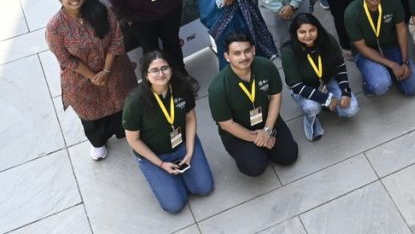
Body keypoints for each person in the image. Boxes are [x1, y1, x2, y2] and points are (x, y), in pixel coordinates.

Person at [46, 0, 136, 161]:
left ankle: (124, 131)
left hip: (115, 69)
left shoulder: (101, 11)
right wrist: (94, 76)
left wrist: (106, 71)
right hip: (81, 77)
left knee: (121, 102)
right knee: (90, 113)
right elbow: (64, 58)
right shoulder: (55, 27)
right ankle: (98, 142)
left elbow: (116, 39)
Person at [123, 52, 214, 213]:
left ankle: (181, 174)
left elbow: (190, 119)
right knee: (175, 205)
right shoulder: (135, 102)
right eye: (154, 70)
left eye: (164, 68)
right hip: (154, 155)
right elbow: (133, 140)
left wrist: (190, 151)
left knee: (204, 188)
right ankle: (169, 178)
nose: (161, 74)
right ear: (146, 75)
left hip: (183, 145)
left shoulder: (182, 87)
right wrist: (161, 164)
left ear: (171, 69)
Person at [208, 33, 299, 175]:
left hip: (267, 121)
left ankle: (263, 147)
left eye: (247, 51)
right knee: (256, 167)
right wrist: (259, 138)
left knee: (289, 156)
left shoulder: (266, 66)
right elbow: (226, 124)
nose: (244, 57)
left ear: (254, 50)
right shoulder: (218, 87)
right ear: (227, 57)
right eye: (237, 53)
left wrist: (267, 130)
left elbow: (275, 97)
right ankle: (254, 151)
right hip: (237, 132)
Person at [280, 14, 357, 141]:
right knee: (313, 107)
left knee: (351, 109)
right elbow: (296, 86)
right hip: (305, 87)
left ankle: (327, 105)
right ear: (295, 33)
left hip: (328, 81)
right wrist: (326, 99)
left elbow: (340, 66)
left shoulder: (328, 40)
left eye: (312, 30)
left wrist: (345, 91)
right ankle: (312, 118)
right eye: (302, 32)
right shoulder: (288, 52)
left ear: (318, 29)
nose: (308, 35)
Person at [345, 0, 415, 95]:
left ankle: (386, 71)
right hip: (367, 53)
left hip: (391, 46)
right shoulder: (351, 13)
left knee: (413, 88)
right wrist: (394, 65)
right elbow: (362, 48)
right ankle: (370, 82)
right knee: (380, 85)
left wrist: (404, 62)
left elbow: (401, 30)